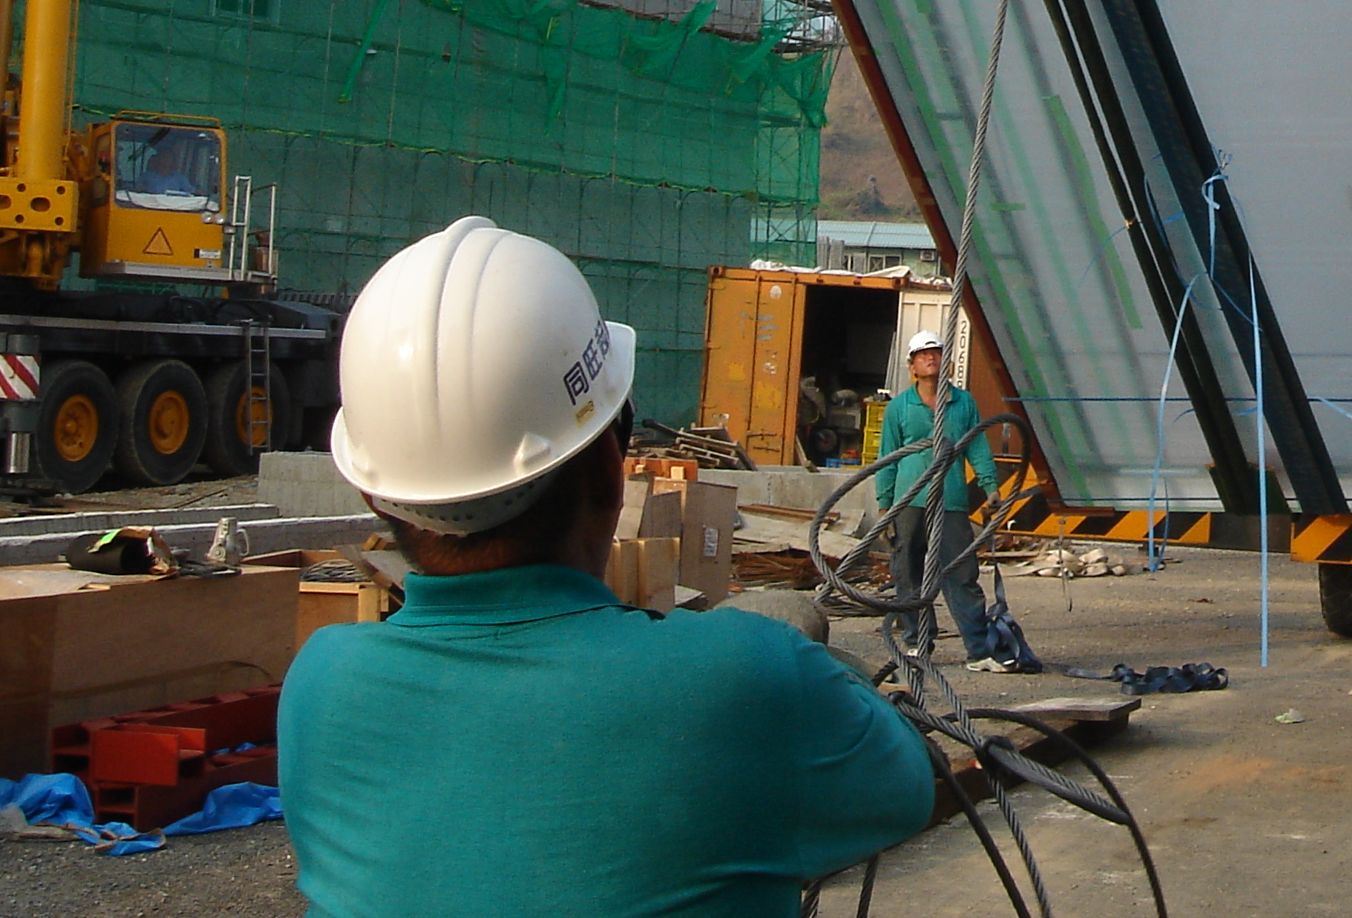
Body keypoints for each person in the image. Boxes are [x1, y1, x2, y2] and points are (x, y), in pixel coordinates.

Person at [280, 217, 931, 918]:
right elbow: (906, 786)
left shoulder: (320, 683)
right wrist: (819, 678)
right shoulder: (745, 675)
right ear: (610, 467)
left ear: (375, 495)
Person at [875, 328, 1006, 670]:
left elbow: (977, 446)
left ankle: (979, 650)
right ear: (912, 366)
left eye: (935, 353)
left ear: (947, 363)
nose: (930, 359)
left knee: (962, 574)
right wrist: (885, 507)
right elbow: (887, 457)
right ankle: (917, 643)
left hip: (950, 501)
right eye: (923, 355)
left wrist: (990, 485)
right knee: (909, 573)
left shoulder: (963, 403)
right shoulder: (899, 408)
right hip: (910, 502)